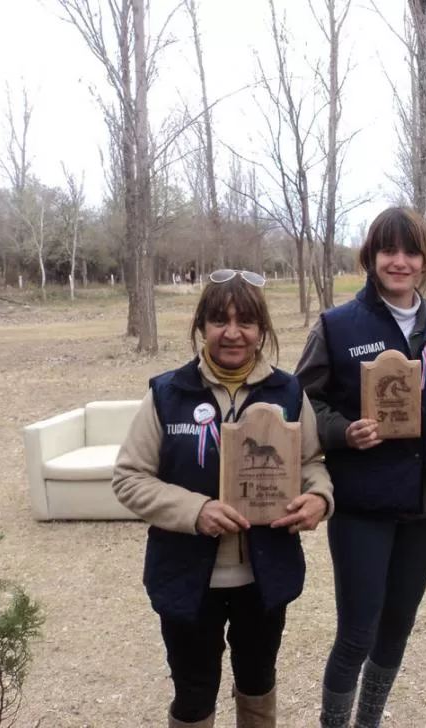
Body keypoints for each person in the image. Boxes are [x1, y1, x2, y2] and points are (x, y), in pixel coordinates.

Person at [112, 269, 334, 728]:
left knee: (257, 680)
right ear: (202, 327)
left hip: (264, 576)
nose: (232, 333)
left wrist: (319, 499)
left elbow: (312, 461)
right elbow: (130, 477)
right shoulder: (168, 394)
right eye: (219, 320)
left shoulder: (289, 392)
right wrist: (197, 510)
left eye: (246, 321)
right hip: (187, 577)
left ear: (261, 331)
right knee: (193, 691)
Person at [295, 207, 426, 728]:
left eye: (410, 251)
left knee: (398, 627)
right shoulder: (337, 325)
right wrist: (342, 430)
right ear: (370, 258)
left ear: (424, 261)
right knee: (357, 631)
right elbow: (300, 401)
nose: (399, 261)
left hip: (424, 502)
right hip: (363, 505)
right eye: (387, 251)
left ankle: (367, 721)